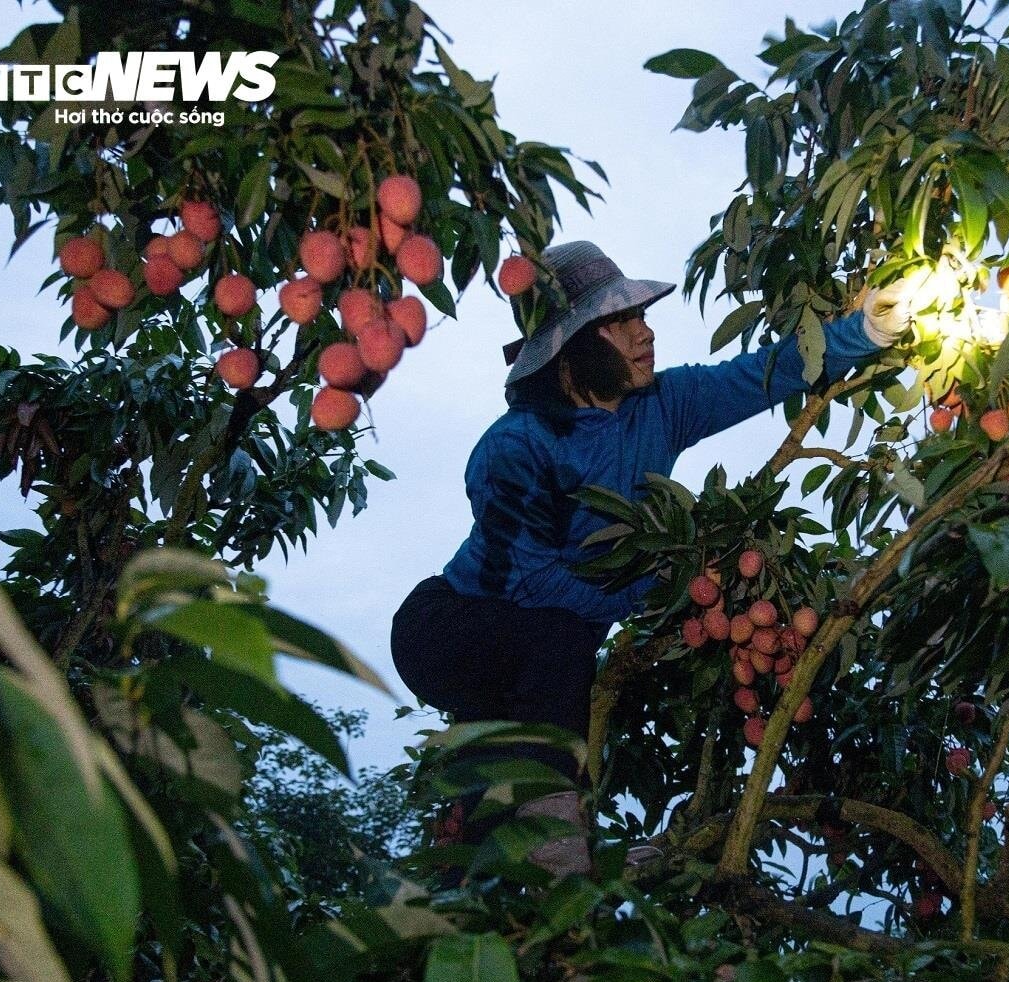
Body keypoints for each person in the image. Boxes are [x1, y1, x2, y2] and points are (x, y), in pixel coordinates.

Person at [390, 240, 916, 879]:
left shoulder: (662, 407)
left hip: (539, 661)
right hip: (449, 627)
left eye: (640, 317)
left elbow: (759, 374)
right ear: (571, 347)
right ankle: (554, 865)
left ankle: (504, 865)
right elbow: (530, 581)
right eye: (621, 323)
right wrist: (669, 591)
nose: (645, 333)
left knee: (547, 693)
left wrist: (866, 330)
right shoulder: (516, 447)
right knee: (557, 642)